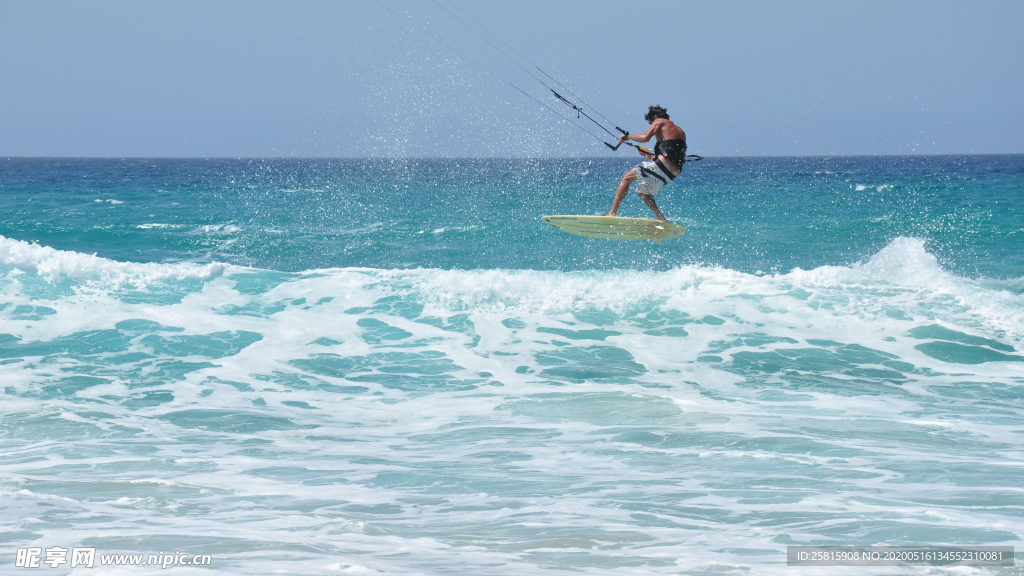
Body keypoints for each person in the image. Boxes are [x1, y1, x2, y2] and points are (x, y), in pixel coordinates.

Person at [606, 105, 687, 221]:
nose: (651, 126)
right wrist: (650, 156)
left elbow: (645, 138)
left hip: (662, 166)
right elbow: (671, 152)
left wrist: (628, 137)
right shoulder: (680, 130)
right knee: (643, 191)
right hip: (673, 173)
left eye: (650, 123)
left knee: (626, 178)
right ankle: (661, 217)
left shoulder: (659, 121)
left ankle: (611, 214)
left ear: (655, 116)